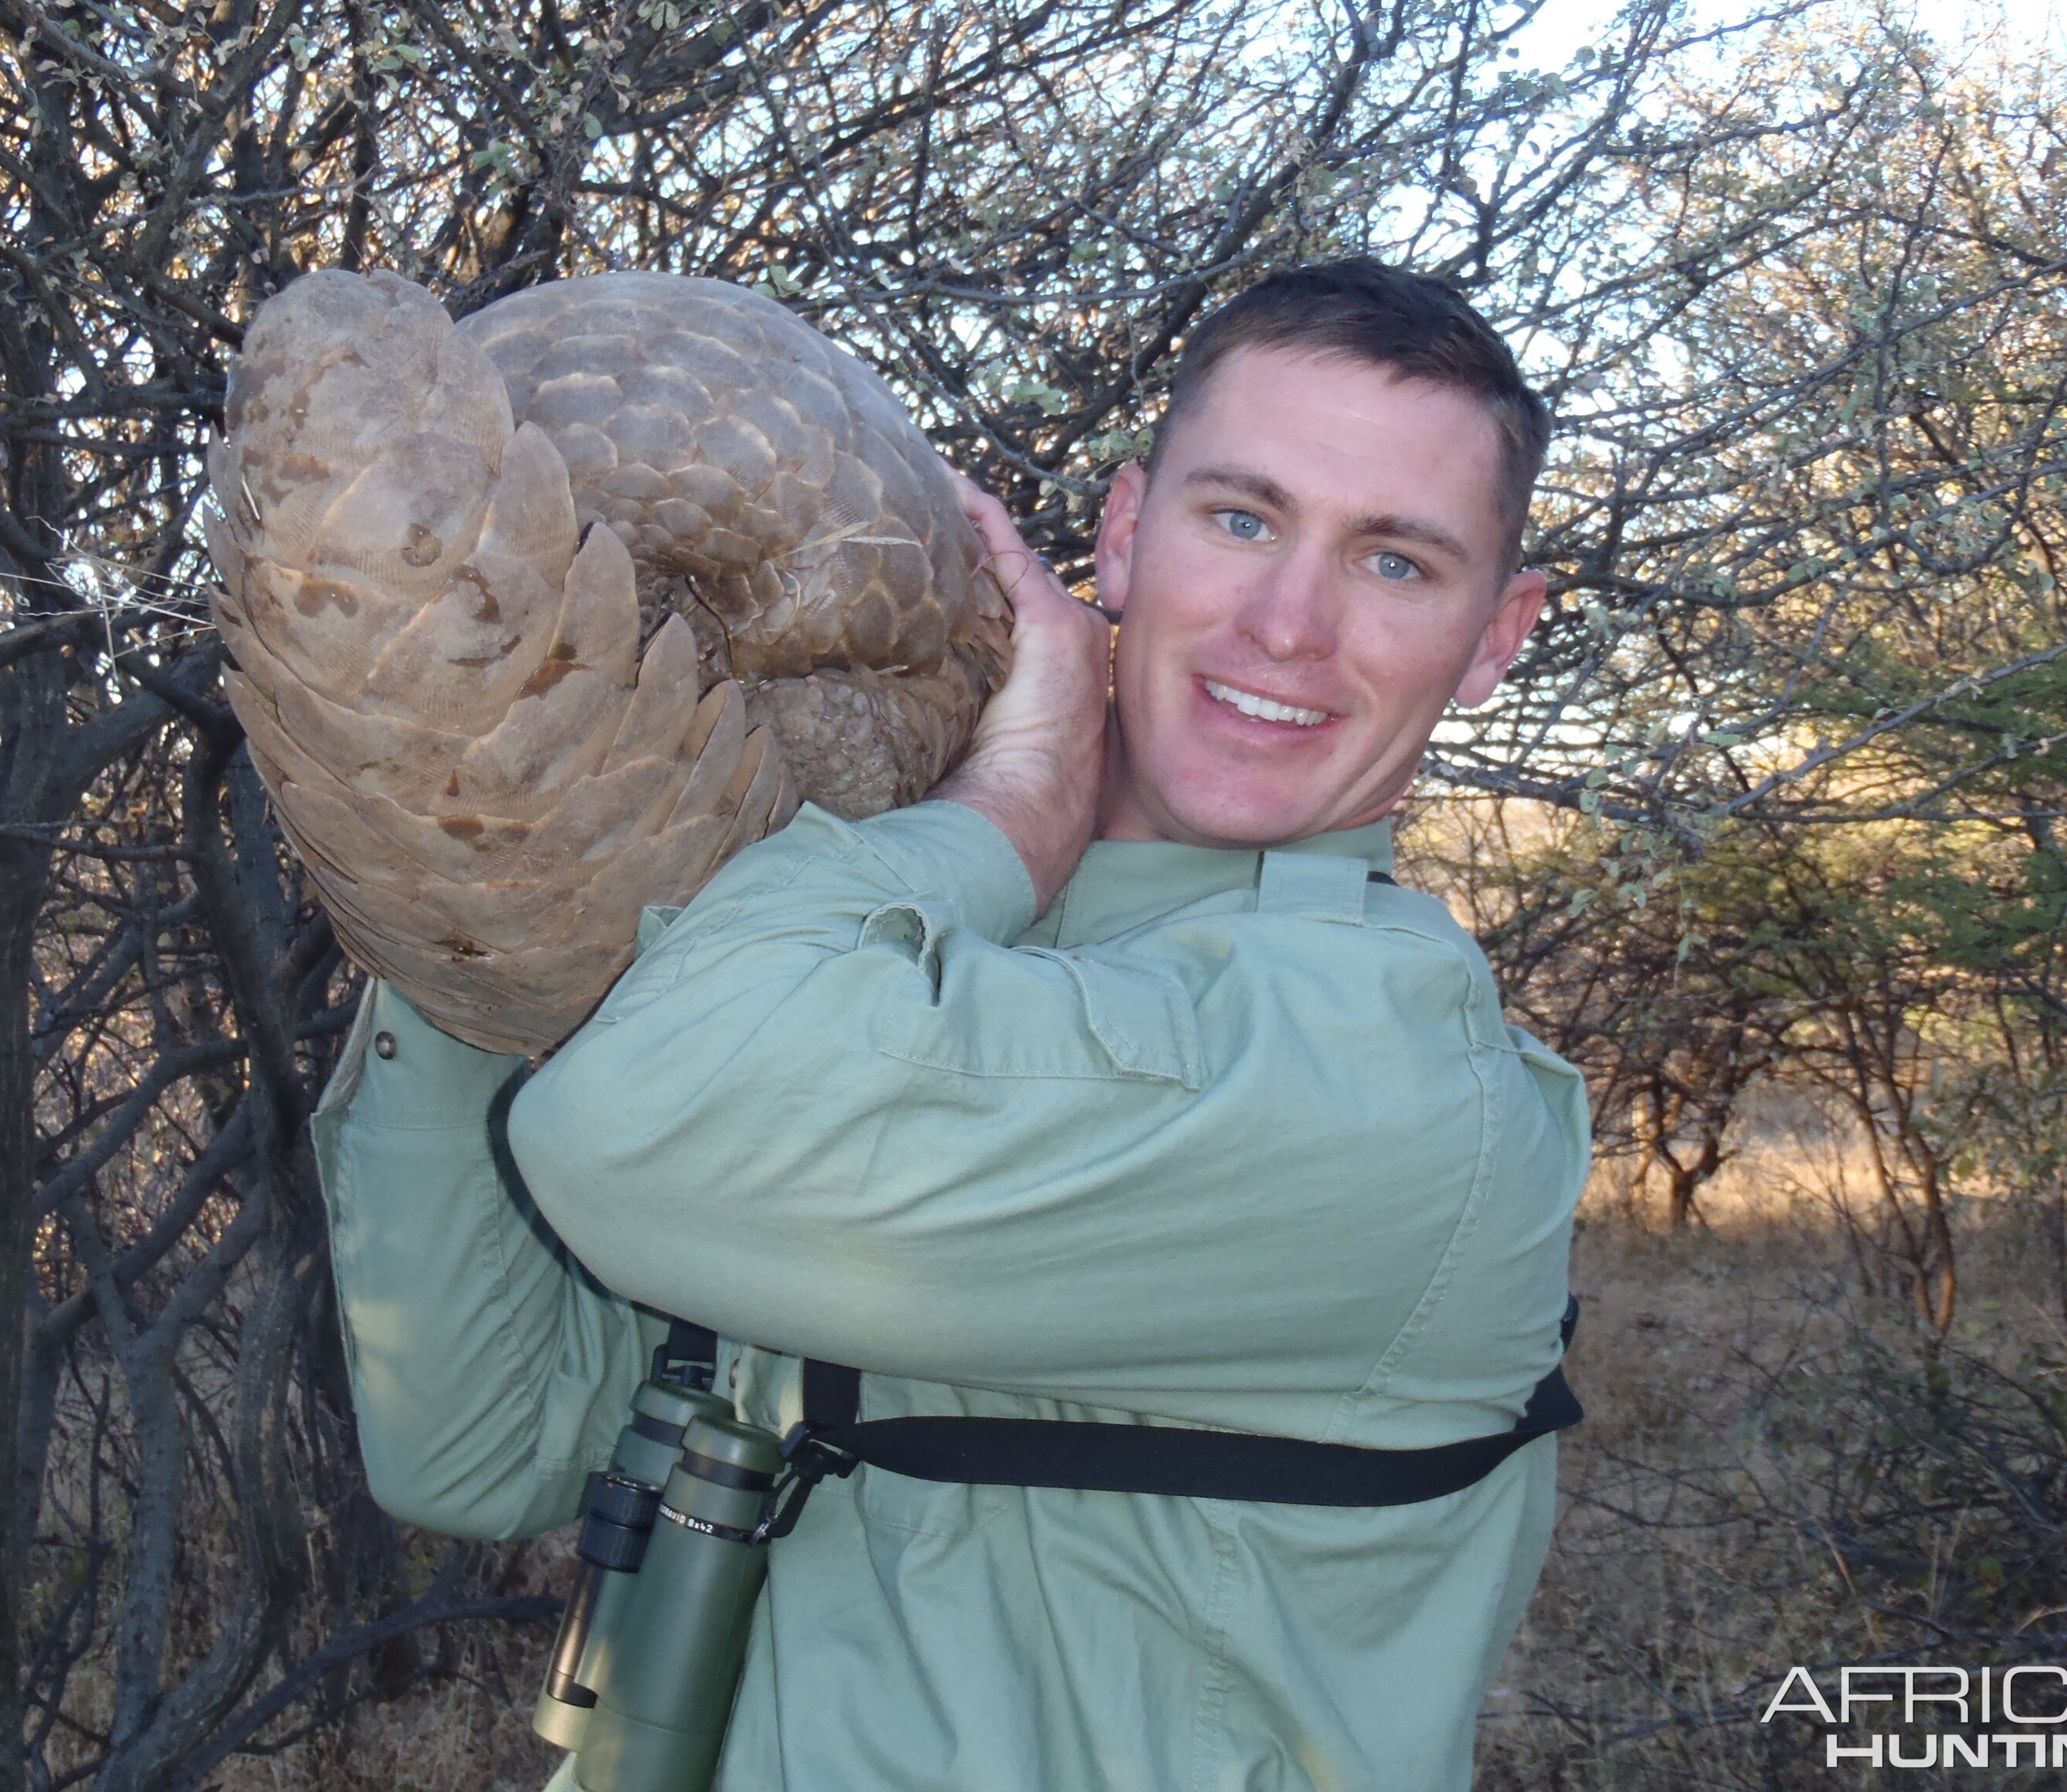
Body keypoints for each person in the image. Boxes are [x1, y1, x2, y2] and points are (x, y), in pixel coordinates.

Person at [310, 258, 1593, 1790]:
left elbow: (627, 1127)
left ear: (1501, 631)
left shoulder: (1397, 1107)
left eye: (1396, 564)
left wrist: (998, 812)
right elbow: (484, 1445)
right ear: (1126, 530)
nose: (1287, 626)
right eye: (1239, 520)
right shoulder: (865, 941)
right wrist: (479, 831)